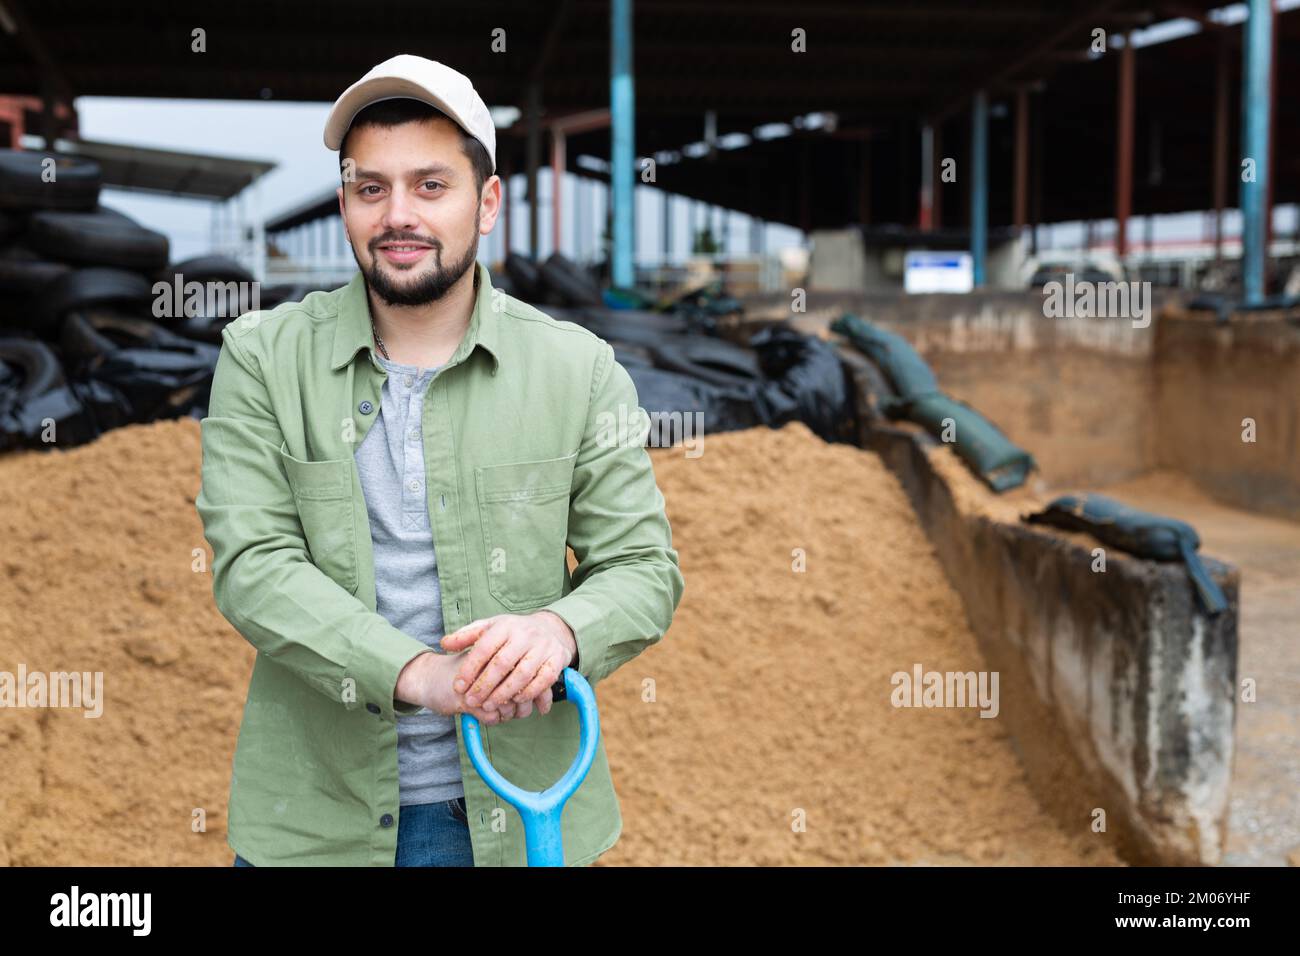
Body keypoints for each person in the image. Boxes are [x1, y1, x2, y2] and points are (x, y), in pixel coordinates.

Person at [196, 54, 685, 867]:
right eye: (371, 187)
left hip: (518, 819)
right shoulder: (260, 358)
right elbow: (253, 566)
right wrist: (420, 674)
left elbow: (643, 568)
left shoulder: (579, 369)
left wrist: (560, 629)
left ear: (487, 202)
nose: (399, 215)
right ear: (346, 201)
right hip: (317, 829)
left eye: (431, 185)